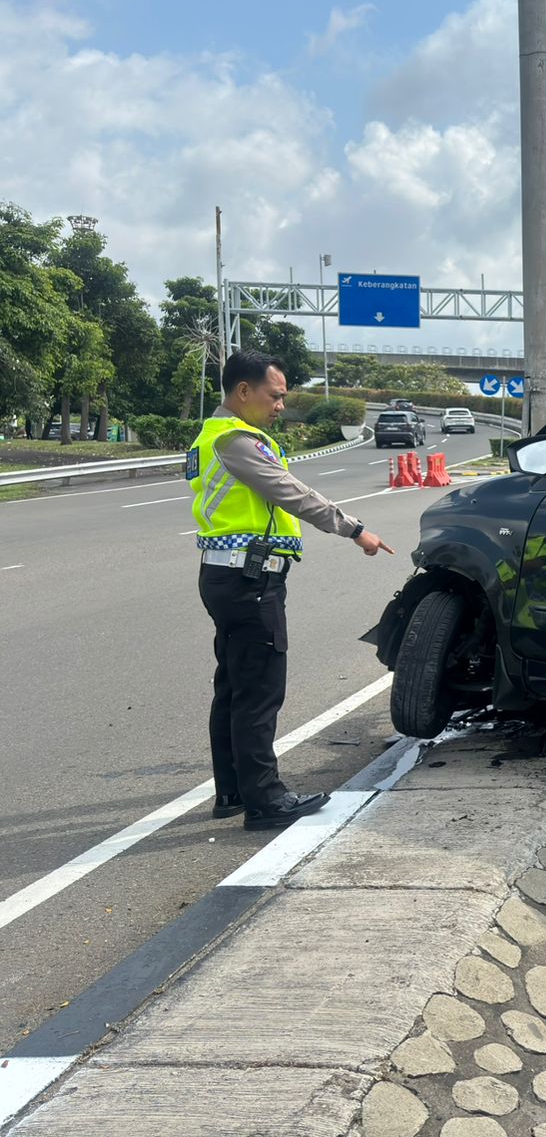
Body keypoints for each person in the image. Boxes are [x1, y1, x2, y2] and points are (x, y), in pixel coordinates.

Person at [189, 351, 395, 830]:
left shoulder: (217, 435)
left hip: (230, 576)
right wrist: (354, 529)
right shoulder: (236, 439)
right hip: (248, 581)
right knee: (259, 691)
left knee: (236, 688)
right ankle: (266, 800)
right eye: (275, 395)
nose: (281, 405)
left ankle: (234, 791)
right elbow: (291, 492)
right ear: (244, 391)